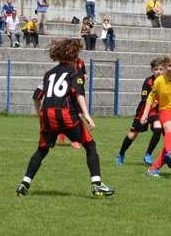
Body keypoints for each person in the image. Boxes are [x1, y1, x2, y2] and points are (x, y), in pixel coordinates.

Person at [15, 39, 114, 197]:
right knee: (90, 145)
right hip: (65, 114)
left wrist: (38, 113)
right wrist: (87, 116)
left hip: (47, 114)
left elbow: (36, 96)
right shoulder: (75, 72)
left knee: (42, 149)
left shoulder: (49, 74)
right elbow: (78, 93)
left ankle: (24, 184)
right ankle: (97, 184)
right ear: (74, 54)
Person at [116, 57, 165, 166]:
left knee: (158, 128)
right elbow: (144, 99)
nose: (159, 72)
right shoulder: (148, 81)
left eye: (161, 69)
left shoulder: (166, 81)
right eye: (156, 69)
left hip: (156, 112)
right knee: (132, 135)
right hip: (144, 111)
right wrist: (146, 112)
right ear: (152, 70)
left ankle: (148, 154)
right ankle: (121, 153)